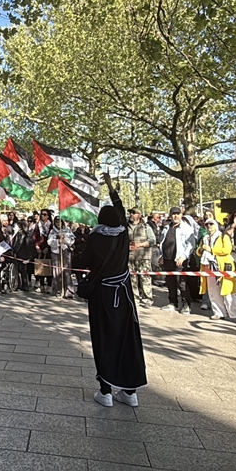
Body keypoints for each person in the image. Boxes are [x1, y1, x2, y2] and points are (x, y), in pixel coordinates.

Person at [87, 174, 146, 408]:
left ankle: (105, 391)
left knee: (103, 339)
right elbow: (121, 210)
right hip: (123, 294)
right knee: (128, 339)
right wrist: (111, 187)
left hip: (102, 294)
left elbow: (86, 261)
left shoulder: (94, 239)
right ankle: (130, 391)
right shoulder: (122, 235)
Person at [198, 218, 236, 323]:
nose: (209, 226)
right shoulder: (205, 237)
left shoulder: (223, 236)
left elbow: (227, 250)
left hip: (222, 267)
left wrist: (212, 250)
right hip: (208, 266)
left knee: (228, 292)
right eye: (207, 224)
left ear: (216, 225)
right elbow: (199, 250)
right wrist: (201, 250)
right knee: (213, 292)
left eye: (211, 224)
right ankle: (218, 312)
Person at [159, 207, 198, 314]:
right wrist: (161, 256)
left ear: (181, 215)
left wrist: (183, 256)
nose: (175, 216)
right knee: (170, 282)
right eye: (173, 214)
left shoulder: (186, 228)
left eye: (177, 214)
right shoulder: (166, 228)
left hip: (180, 260)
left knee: (181, 283)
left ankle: (186, 304)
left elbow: (191, 244)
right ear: (170, 215)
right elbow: (162, 243)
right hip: (167, 260)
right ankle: (173, 303)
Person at [126, 209, 156, 308]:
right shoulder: (125, 227)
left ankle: (147, 298)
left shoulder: (146, 227)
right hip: (130, 257)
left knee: (145, 278)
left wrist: (140, 245)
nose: (131, 214)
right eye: (131, 213)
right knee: (132, 279)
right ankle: (135, 298)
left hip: (144, 257)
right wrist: (127, 246)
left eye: (134, 213)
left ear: (139, 215)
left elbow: (152, 240)